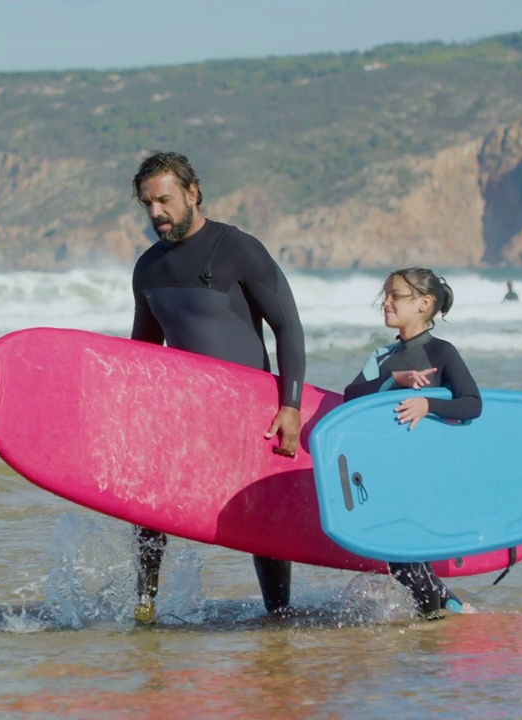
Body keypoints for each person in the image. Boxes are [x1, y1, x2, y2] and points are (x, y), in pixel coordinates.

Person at [128, 151, 306, 624]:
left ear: (192, 192)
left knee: (260, 519)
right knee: (149, 503)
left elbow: (288, 327)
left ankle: (279, 613)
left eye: (164, 200)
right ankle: (145, 602)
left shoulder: (238, 249)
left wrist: (290, 407)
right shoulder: (147, 268)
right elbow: (144, 350)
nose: (155, 213)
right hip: (183, 409)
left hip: (248, 411)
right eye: (147, 204)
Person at [341, 267, 481, 619]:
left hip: (424, 471)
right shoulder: (382, 358)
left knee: (402, 555)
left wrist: (428, 404)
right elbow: (349, 398)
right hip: (384, 471)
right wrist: (393, 380)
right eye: (385, 295)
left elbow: (471, 403)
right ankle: (447, 610)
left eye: (395, 296)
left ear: (424, 304)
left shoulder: (442, 353)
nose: (386, 303)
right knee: (399, 558)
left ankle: (440, 617)